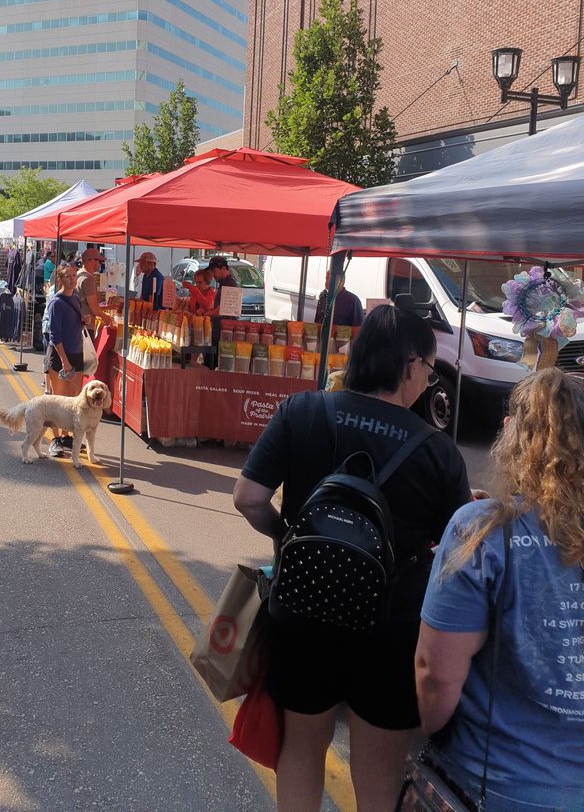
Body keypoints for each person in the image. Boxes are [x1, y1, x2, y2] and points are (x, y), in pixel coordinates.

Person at [233, 304, 471, 812]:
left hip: (303, 611)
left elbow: (248, 498)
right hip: (391, 629)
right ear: (410, 365)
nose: (427, 384)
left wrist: (288, 537)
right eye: (430, 372)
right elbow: (458, 548)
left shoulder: (302, 411)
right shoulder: (438, 451)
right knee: (378, 778)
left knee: (301, 749)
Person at [416, 368, 584, 812]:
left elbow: (435, 675)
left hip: (493, 784)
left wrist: (426, 733)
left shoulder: (484, 531)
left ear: (514, 437)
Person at [43, 262, 85, 455]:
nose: (72, 279)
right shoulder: (56, 302)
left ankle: (67, 437)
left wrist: (84, 321)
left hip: (76, 353)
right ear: (60, 279)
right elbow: (55, 335)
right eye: (68, 276)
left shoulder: (76, 298)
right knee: (57, 400)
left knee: (72, 399)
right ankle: (55, 439)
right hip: (60, 356)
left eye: (74, 275)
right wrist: (65, 361)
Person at [76, 247, 110, 333]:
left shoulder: (78, 274)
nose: (100, 264)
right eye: (99, 261)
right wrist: (105, 317)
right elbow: (93, 306)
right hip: (86, 324)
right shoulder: (88, 278)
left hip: (78, 321)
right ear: (92, 261)